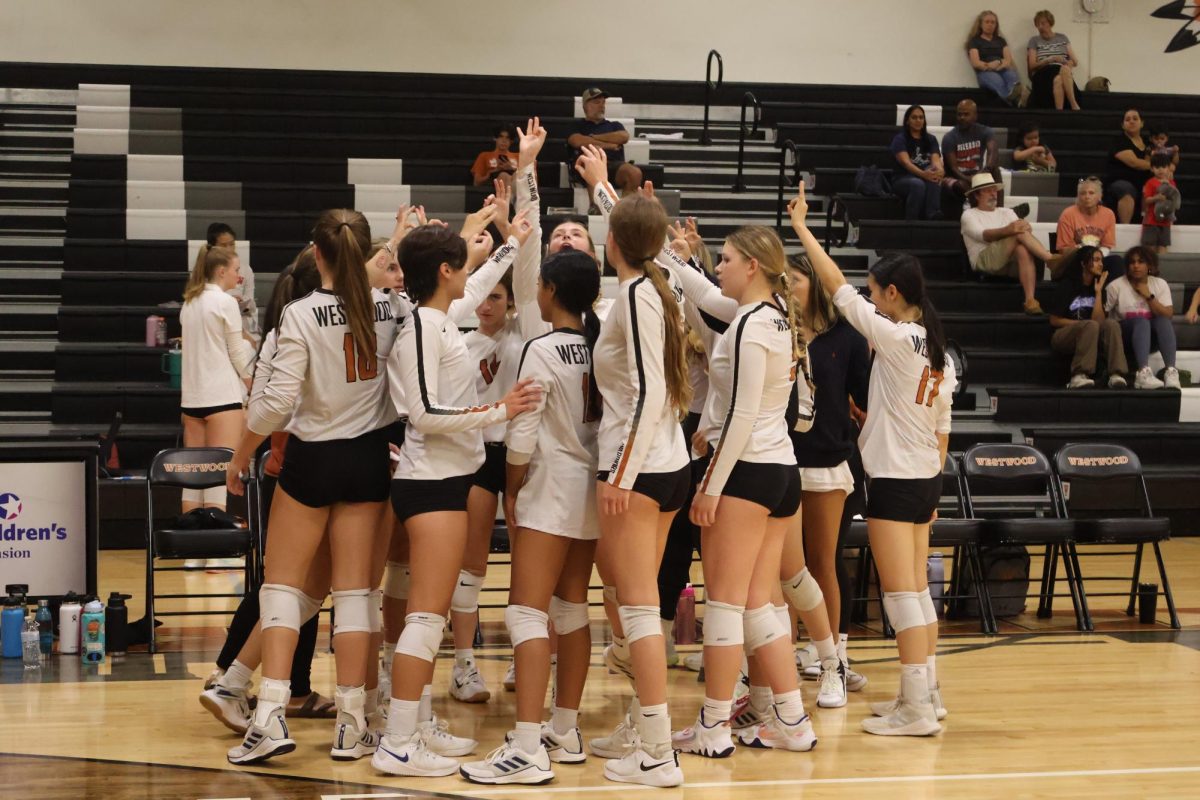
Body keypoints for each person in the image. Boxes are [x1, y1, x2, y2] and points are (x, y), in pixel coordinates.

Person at [222, 209, 403, 766]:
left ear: (316, 254)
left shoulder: (300, 313)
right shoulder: (394, 308)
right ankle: (353, 725)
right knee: (355, 596)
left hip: (313, 457)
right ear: (365, 252)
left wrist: (240, 456)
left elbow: (275, 402)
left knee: (281, 589)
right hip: (371, 458)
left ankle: (270, 714)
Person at [373, 219, 541, 778]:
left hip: (446, 477)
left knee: (430, 611)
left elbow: (476, 285)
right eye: (463, 263)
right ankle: (397, 741)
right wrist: (502, 411)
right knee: (425, 615)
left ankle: (415, 726)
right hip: (430, 482)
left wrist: (515, 239)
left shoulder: (440, 315)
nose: (471, 273)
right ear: (443, 271)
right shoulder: (423, 327)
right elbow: (421, 413)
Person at [791, 182, 955, 738]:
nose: (870, 296)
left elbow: (835, 289)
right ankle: (927, 694)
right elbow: (942, 429)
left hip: (893, 480)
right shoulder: (940, 352)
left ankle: (915, 709)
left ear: (889, 294)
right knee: (916, 589)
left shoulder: (892, 335)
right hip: (924, 480)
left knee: (901, 594)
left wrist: (803, 231)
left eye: (874, 291)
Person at [657, 224, 822, 759]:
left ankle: (712, 726)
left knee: (725, 606)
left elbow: (747, 413)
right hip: (778, 474)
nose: (718, 266)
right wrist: (661, 244)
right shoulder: (765, 314)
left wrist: (710, 483)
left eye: (725, 258)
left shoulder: (753, 325)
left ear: (752, 265)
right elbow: (700, 289)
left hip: (748, 474)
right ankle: (792, 721)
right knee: (757, 607)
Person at [459, 249, 603, 785]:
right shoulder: (599, 343)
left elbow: (522, 431)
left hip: (549, 484)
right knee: (572, 611)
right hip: (591, 484)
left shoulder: (541, 349)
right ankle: (563, 731)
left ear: (549, 292)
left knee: (525, 612)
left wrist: (512, 489)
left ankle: (526, 747)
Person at [199, 248, 334, 733]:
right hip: (298, 467)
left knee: (293, 588)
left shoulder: (284, 331)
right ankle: (264, 688)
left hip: (292, 466)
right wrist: (240, 455)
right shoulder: (306, 332)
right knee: (289, 589)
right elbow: (273, 405)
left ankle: (249, 680)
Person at [586, 186, 691, 787]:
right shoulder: (654, 285)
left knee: (640, 612)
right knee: (636, 609)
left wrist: (620, 474)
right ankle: (642, 731)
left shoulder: (632, 296)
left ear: (612, 243)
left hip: (642, 469)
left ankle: (656, 752)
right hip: (665, 463)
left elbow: (650, 392)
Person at [785, 253, 871, 706]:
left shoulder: (848, 338)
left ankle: (834, 657)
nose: (787, 286)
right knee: (784, 571)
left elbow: (865, 399)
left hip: (828, 462)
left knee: (824, 563)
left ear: (815, 285)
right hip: (779, 460)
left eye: (794, 279)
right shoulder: (776, 329)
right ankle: (782, 661)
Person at [179, 245, 255, 514]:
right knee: (218, 474)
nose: (239, 275)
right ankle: (214, 553)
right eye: (236, 270)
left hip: (191, 400)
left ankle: (191, 552)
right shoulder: (225, 302)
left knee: (193, 477)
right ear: (221, 271)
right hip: (222, 397)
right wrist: (250, 383)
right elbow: (236, 350)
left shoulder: (189, 302)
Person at [960, 173, 1059, 314]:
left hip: (1010, 263)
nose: (993, 194)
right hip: (984, 260)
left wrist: (1025, 228)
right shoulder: (969, 215)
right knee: (1017, 233)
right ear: (976, 195)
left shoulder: (1006, 212)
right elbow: (985, 236)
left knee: (1021, 249)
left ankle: (1030, 301)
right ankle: (1050, 259)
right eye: (988, 191)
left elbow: (1022, 231)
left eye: (994, 190)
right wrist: (1010, 229)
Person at [1048, 246, 1128, 389]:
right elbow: (1054, 320)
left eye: (1101, 260)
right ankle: (1078, 375)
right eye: (1096, 260)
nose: (1101, 264)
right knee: (1090, 325)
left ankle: (1116, 374)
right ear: (1083, 263)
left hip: (1090, 333)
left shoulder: (1098, 287)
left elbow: (1099, 322)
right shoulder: (1067, 285)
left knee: (1111, 324)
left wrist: (1098, 293)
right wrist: (1082, 325)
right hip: (1063, 335)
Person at [1104, 246, 1180, 390]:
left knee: (1162, 321)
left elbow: (1168, 314)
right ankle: (1143, 373)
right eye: (1132, 262)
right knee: (1141, 321)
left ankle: (1171, 371)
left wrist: (1148, 296)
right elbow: (1103, 316)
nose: (1136, 266)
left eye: (1141, 262)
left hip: (1150, 339)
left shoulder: (1159, 284)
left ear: (1150, 265)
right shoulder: (1116, 286)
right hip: (1124, 337)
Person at [567, 88, 642, 196]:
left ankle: (624, 211)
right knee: (591, 155)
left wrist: (595, 137)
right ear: (585, 106)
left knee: (634, 173)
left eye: (603, 102)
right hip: (586, 167)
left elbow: (624, 137)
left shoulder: (614, 125)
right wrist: (609, 145)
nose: (602, 106)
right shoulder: (576, 125)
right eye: (597, 102)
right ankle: (595, 207)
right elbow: (577, 141)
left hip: (613, 166)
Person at [1055, 176, 1122, 278]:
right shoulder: (1067, 214)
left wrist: (1096, 260)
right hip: (1074, 260)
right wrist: (1087, 256)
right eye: (1083, 193)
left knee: (1117, 261)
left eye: (1091, 193)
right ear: (1078, 197)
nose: (1087, 196)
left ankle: (1106, 292)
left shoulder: (1108, 214)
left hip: (1099, 259)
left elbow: (1107, 245)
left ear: (1099, 196)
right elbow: (1064, 250)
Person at [206, 222, 259, 346]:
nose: (229, 249)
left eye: (232, 244)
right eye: (224, 245)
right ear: (213, 247)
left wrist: (243, 303)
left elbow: (251, 302)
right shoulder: (206, 270)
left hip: (241, 321)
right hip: (216, 323)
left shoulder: (245, 269)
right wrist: (228, 302)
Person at [941, 100, 1001, 207]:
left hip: (977, 173)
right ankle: (978, 209)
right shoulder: (949, 137)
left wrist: (985, 171)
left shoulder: (985, 131)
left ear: (975, 116)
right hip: (956, 177)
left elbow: (993, 152)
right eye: (959, 114)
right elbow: (953, 168)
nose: (962, 117)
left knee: (996, 171)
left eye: (966, 114)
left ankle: (1000, 210)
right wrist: (968, 178)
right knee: (963, 184)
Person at [890, 105, 944, 220]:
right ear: (907, 121)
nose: (918, 120)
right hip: (902, 178)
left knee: (935, 178)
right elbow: (906, 163)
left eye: (921, 117)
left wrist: (940, 171)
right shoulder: (900, 139)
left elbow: (936, 160)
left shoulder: (931, 139)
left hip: (925, 176)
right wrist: (924, 175)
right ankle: (911, 221)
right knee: (917, 184)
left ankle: (933, 215)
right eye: (914, 117)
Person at [1105, 109, 1153, 224]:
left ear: (1142, 123)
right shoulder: (1119, 141)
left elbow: (1161, 159)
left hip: (1143, 182)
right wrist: (1155, 165)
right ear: (1123, 125)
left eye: (1135, 119)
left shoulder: (1148, 142)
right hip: (1121, 181)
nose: (1131, 121)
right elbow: (1134, 163)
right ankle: (1125, 228)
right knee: (1126, 190)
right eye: (1127, 119)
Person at [1026, 9, 1080, 110]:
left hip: (1061, 70)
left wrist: (1068, 63)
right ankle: (1074, 105)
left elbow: (1075, 61)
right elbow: (1032, 65)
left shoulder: (1062, 38)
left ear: (1050, 23)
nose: (1040, 27)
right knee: (1062, 73)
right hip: (1043, 72)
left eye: (1043, 23)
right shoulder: (1034, 40)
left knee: (1059, 78)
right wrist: (1049, 60)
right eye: (1038, 24)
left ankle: (1059, 112)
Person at [966, 10, 1023, 105]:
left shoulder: (1001, 41)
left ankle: (1013, 101)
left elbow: (1008, 60)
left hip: (1002, 68)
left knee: (1012, 76)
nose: (990, 25)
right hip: (985, 72)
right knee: (997, 80)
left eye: (993, 22)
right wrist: (989, 66)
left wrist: (999, 63)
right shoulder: (974, 41)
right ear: (981, 24)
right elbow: (976, 63)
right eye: (987, 22)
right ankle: (1015, 103)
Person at [1142, 152, 1180, 254]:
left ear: (1168, 168)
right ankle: (1150, 269)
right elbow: (1147, 200)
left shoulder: (1172, 183)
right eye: (1157, 167)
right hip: (1151, 221)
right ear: (1152, 169)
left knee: (1163, 245)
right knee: (1150, 247)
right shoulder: (1150, 182)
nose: (1160, 170)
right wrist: (1156, 198)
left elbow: (1174, 201)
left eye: (1163, 167)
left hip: (1166, 222)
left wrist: (1171, 217)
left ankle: (1162, 269)